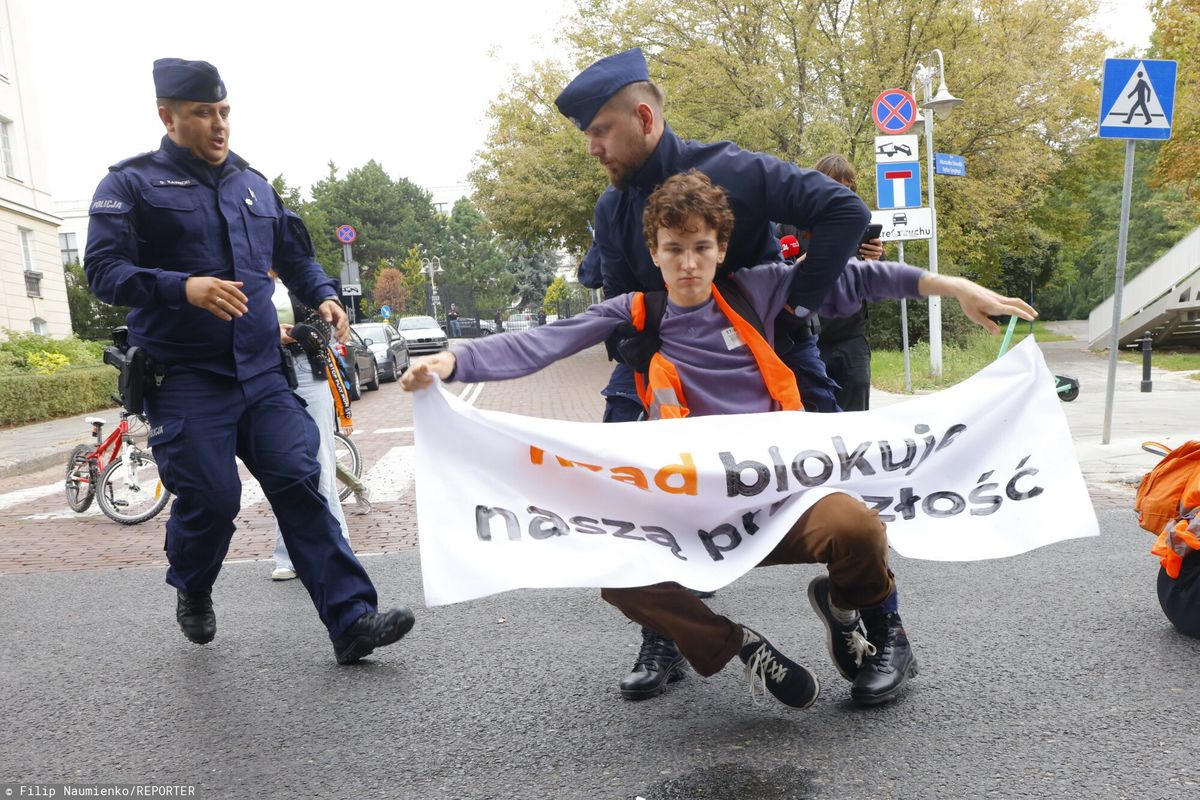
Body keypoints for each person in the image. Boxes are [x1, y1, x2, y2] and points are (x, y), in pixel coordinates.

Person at [402, 172, 1035, 708]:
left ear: (720, 248)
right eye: (673, 248)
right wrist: (451, 363)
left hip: (782, 498)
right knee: (613, 571)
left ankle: (853, 619)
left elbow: (867, 280)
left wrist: (956, 288)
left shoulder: (759, 289)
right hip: (690, 511)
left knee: (861, 528)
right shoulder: (636, 311)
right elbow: (538, 343)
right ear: (654, 249)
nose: (688, 263)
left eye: (701, 247)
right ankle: (736, 647)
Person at [84, 58, 413, 665]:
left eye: (224, 111)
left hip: (262, 374)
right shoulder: (128, 184)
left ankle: (352, 621)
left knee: (301, 484)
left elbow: (294, 252)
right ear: (168, 116)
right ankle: (193, 583)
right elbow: (102, 271)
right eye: (203, 113)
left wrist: (324, 296)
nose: (218, 125)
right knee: (212, 499)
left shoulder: (253, 184)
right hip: (185, 379)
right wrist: (183, 286)